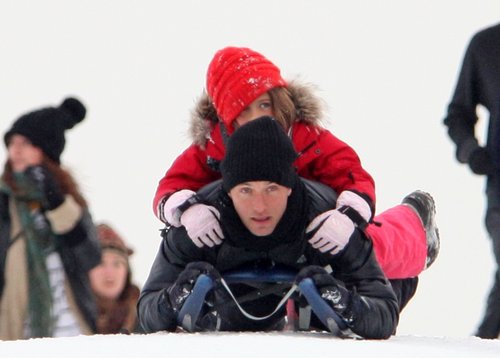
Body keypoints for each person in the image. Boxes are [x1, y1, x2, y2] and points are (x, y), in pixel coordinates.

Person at [152, 46, 437, 280]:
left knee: (370, 246)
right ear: (227, 117)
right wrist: (189, 210)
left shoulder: (305, 136)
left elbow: (353, 176)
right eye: (243, 111)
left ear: (279, 101)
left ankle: (416, 229)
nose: (258, 118)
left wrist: (346, 217)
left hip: (312, 223)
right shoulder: (212, 146)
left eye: (264, 105)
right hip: (253, 236)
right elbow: (171, 186)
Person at [138, 117, 438, 339]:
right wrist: (174, 297)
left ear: (291, 189)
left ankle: (415, 221)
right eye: (245, 191)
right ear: (227, 192)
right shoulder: (200, 221)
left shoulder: (326, 218)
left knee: (378, 273)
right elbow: (147, 308)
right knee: (230, 318)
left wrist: (345, 303)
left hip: (319, 258)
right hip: (238, 285)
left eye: (271, 189)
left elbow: (383, 311)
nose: (259, 207)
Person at [0, 97, 101, 340]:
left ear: (46, 149)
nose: (15, 150)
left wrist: (56, 202)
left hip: (72, 331)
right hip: (18, 334)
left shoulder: (70, 201)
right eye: (11, 142)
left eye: (25, 143)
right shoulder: (4, 202)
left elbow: (89, 257)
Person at [444, 22, 500, 339]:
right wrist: (471, 151)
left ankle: (482, 347)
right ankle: (483, 347)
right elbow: (458, 114)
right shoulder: (486, 45)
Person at [90, 223, 142, 334]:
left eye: (117, 263)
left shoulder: (148, 319)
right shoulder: (67, 317)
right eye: (100, 263)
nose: (109, 272)